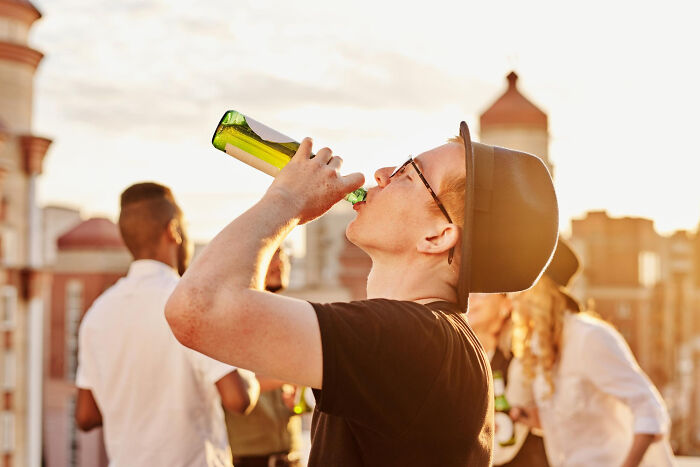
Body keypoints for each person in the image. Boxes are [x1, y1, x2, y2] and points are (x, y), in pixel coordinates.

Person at [165, 121, 559, 465]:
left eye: (409, 174)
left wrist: (286, 200)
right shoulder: (430, 340)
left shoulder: (416, 340)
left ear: (437, 236)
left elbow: (198, 306)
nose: (382, 173)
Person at [75, 182, 259, 467]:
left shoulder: (97, 314)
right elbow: (239, 399)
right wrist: (250, 372)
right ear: (173, 231)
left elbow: (86, 416)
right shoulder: (193, 302)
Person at [508, 240, 675, 467]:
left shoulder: (589, 337)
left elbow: (648, 406)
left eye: (519, 292)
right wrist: (529, 418)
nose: (511, 299)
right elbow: (571, 425)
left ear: (540, 293)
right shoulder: (540, 346)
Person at [225, 247, 303, 467]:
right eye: (272, 253)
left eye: (284, 253)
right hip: (249, 461)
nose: (280, 262)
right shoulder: (230, 323)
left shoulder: (289, 321)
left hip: (292, 458)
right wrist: (291, 375)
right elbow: (230, 385)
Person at [468, 293, 550, 466]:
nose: (471, 297)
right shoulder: (462, 360)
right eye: (468, 291)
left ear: (507, 305)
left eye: (482, 292)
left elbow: (503, 447)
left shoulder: (521, 362)